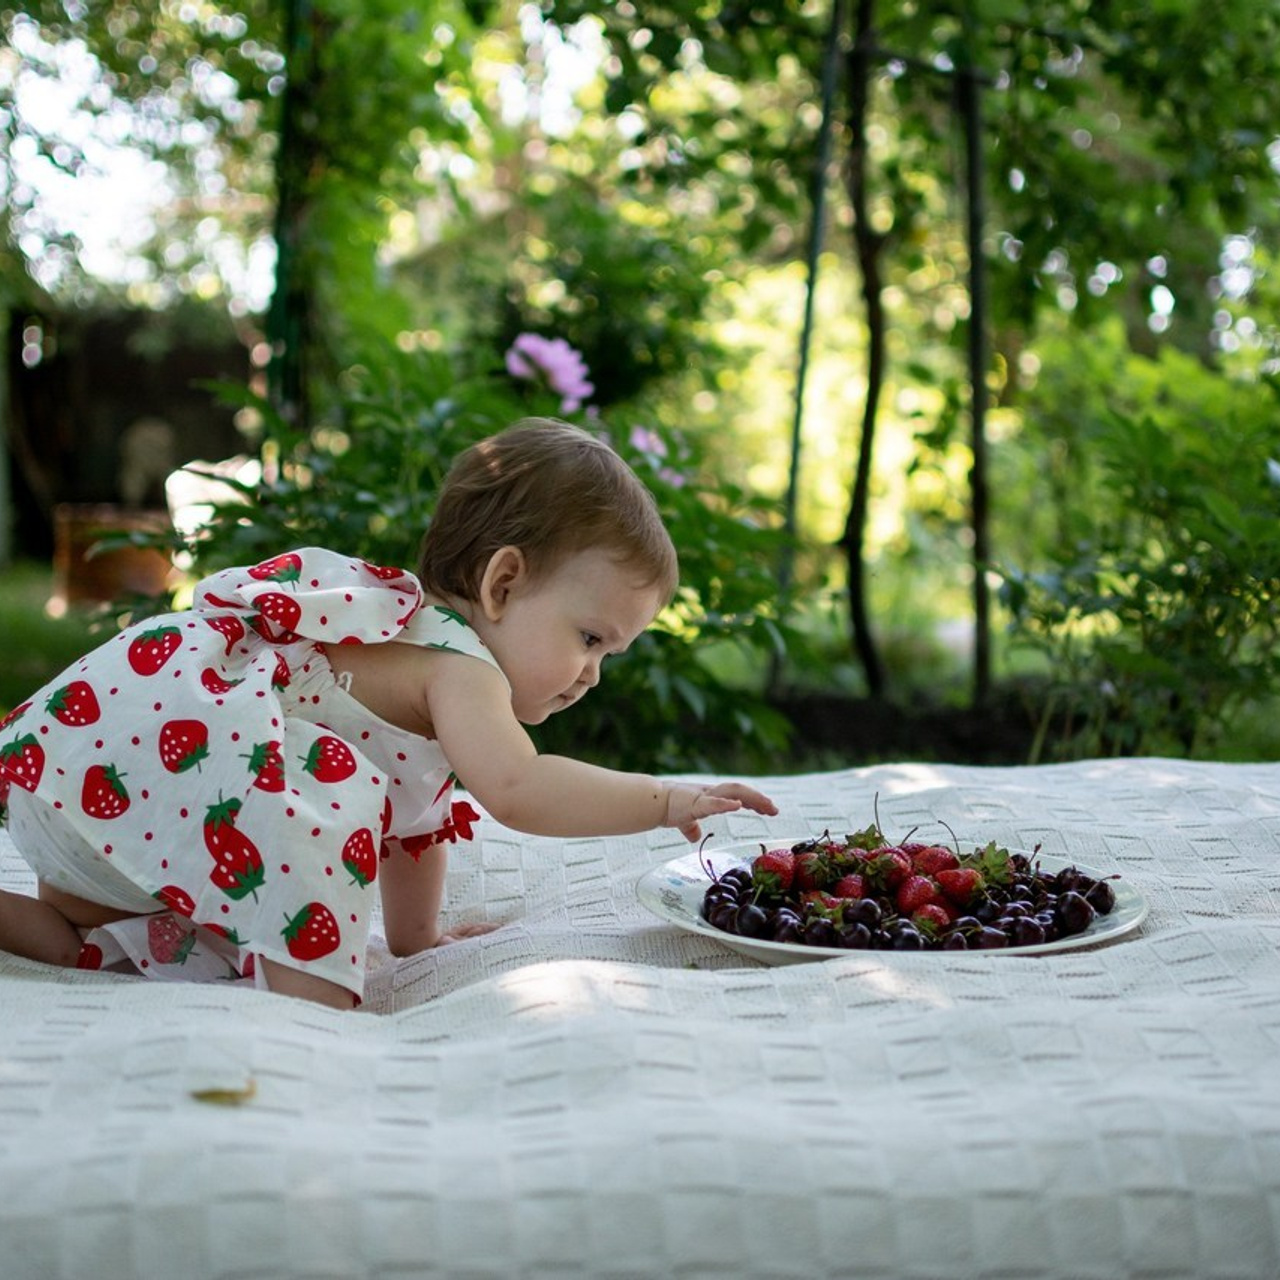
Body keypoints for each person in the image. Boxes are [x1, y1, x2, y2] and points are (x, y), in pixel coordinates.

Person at [0, 418, 777, 1009]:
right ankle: (300, 1001)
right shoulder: (460, 668)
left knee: (79, 941)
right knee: (325, 906)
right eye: (589, 638)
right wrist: (663, 798)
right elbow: (521, 789)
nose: (592, 676)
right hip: (155, 784)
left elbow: (414, 826)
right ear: (503, 585)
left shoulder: (397, 633)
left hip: (87, 789)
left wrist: (419, 941)